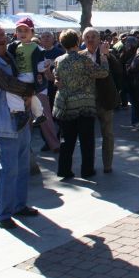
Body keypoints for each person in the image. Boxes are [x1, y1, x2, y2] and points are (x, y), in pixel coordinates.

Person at [0, 24, 39, 229]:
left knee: (21, 167)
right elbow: (9, 84)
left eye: (2, 34)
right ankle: (3, 214)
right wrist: (33, 88)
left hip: (20, 118)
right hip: (5, 123)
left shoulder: (9, 56)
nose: (1, 38)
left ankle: (19, 205)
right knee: (9, 169)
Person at [53, 29, 110, 180]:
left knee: (67, 140)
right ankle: (87, 170)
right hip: (85, 105)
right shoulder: (84, 60)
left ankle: (64, 170)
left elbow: (57, 78)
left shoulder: (59, 60)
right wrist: (104, 56)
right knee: (86, 140)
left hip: (66, 105)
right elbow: (103, 73)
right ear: (77, 42)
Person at [80, 27, 121, 173]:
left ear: (99, 39)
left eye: (93, 37)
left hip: (105, 99)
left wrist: (107, 55)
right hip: (86, 101)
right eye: (87, 37)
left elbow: (119, 71)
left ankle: (107, 164)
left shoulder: (107, 53)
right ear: (83, 40)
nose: (90, 39)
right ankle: (89, 165)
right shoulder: (80, 56)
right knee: (87, 135)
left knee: (107, 134)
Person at [7, 17, 48, 128]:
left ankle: (20, 113)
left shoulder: (36, 47)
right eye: (20, 30)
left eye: (26, 30)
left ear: (32, 33)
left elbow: (39, 65)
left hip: (29, 75)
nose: (22, 33)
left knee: (11, 89)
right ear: (16, 33)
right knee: (30, 94)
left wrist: (45, 65)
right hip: (22, 74)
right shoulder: (15, 46)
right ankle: (39, 114)